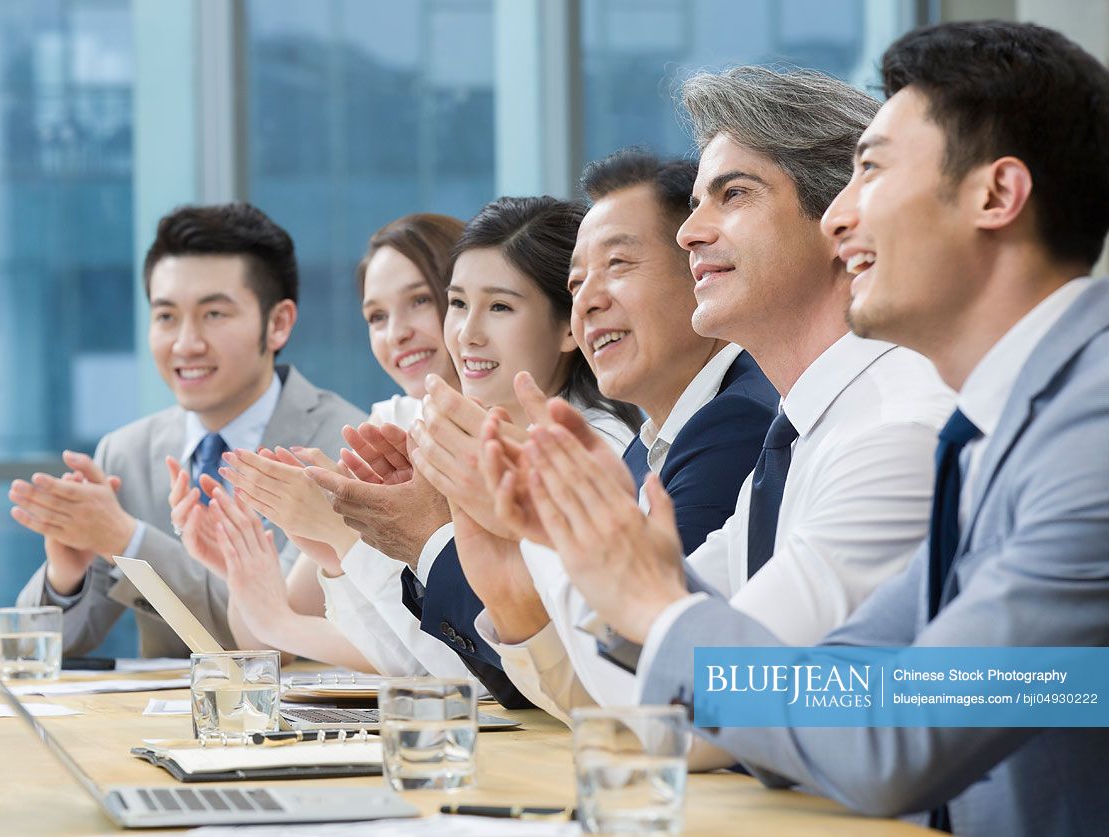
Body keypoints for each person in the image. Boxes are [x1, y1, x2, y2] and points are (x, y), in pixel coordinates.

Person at [517, 22, 1109, 837]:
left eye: (868, 170)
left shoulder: (1092, 429)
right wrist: (623, 571)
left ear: (995, 195)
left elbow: (898, 735)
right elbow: (843, 685)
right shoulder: (998, 423)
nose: (839, 217)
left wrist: (653, 600)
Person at [485, 65, 954, 723]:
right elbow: (651, 689)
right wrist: (556, 529)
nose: (688, 232)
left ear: (841, 223)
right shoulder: (795, 435)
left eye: (733, 194)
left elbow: (707, 708)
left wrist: (560, 523)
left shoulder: (891, 431)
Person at [406, 151, 777, 717]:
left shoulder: (735, 424)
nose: (589, 299)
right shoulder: (655, 437)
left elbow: (660, 683)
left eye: (619, 265)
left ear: (702, 269)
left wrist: (526, 530)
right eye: (577, 281)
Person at [303, 196, 640, 703]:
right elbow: (426, 669)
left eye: (500, 307)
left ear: (568, 326)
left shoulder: (601, 452)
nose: (467, 334)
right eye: (458, 304)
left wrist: (405, 538)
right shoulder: (468, 440)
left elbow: (502, 683)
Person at [11, 203, 365, 657]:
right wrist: (66, 575)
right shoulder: (126, 453)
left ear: (277, 324)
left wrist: (128, 540)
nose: (185, 343)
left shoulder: (343, 444)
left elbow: (281, 640)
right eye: (166, 317)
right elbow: (31, 654)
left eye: (214, 314)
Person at [171, 213, 471, 674]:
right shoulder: (390, 422)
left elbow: (455, 656)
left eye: (419, 301)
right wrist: (239, 565)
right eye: (376, 316)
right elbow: (274, 636)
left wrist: (335, 535)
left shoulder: (467, 438)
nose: (396, 333)